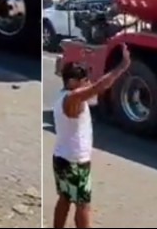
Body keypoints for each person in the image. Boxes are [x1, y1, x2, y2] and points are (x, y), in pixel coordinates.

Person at [52, 44, 131, 228]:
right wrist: (123, 66)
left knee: (64, 198)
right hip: (75, 162)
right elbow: (100, 86)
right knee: (83, 205)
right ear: (72, 82)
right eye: (84, 80)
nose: (87, 83)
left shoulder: (62, 96)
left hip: (62, 158)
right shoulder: (72, 98)